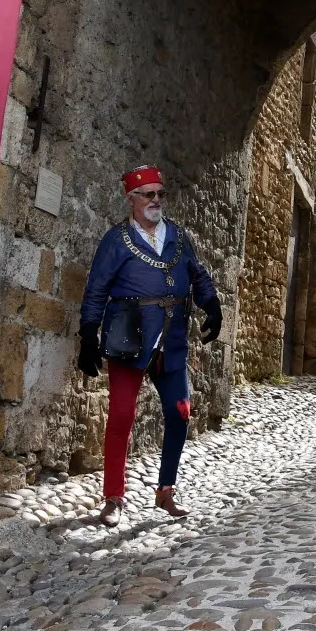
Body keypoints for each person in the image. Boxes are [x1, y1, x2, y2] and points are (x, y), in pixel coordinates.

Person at [77, 165, 222, 527]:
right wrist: (87, 334)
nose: (156, 201)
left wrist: (211, 303)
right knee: (122, 416)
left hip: (171, 340)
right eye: (149, 195)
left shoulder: (178, 235)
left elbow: (197, 272)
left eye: (161, 194)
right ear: (133, 200)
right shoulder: (116, 240)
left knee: (180, 413)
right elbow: (96, 288)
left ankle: (166, 491)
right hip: (129, 338)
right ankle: (113, 497)